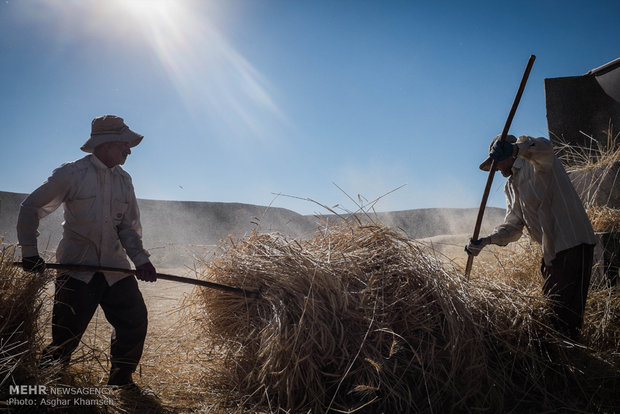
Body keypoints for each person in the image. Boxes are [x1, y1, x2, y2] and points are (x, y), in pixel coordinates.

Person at [17, 115, 157, 388]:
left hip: (115, 269)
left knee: (134, 320)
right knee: (65, 337)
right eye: (123, 144)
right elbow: (30, 208)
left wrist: (141, 260)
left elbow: (128, 228)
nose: (129, 150)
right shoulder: (72, 174)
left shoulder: (124, 181)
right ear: (104, 145)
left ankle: (121, 381)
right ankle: (48, 384)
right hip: (78, 270)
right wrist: (29, 253)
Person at [465, 134, 597, 340]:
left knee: (561, 319)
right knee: (555, 315)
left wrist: (516, 150)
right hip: (552, 253)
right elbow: (513, 227)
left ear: (508, 153)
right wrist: (486, 241)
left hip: (572, 243)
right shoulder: (511, 186)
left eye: (497, 162)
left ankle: (569, 359)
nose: (497, 169)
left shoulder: (535, 160)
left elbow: (544, 148)